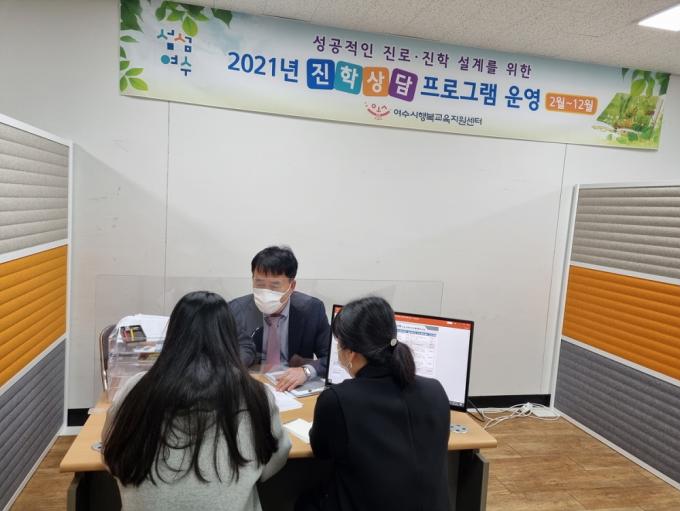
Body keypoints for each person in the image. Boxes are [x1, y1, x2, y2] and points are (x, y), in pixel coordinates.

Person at [102, 291, 291, 511]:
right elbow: (275, 456)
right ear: (230, 337)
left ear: (173, 334)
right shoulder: (255, 394)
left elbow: (110, 453)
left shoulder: (135, 388)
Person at [298, 296, 451, 511]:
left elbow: (322, 451)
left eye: (339, 345)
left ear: (351, 354)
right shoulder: (435, 390)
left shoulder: (337, 400)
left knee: (305, 501)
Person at [230, 246, 330, 391]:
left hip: (293, 387)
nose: (265, 292)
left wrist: (306, 371)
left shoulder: (312, 310)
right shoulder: (235, 310)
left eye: (274, 286)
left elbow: (332, 359)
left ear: (291, 286)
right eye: (259, 284)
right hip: (249, 386)